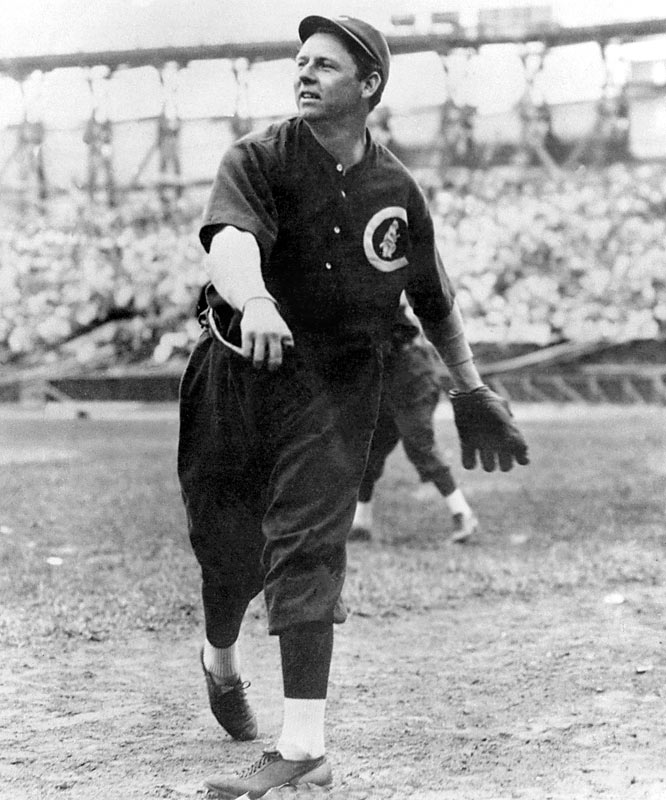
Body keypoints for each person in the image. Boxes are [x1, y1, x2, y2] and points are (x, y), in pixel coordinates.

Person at [177, 14, 529, 798]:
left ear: (369, 85)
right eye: (300, 61)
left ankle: (304, 748)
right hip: (237, 371)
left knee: (307, 545)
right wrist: (255, 298)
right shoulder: (258, 157)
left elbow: (433, 298)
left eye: (325, 65)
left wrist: (470, 385)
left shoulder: (396, 189)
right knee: (227, 553)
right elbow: (230, 240)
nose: (304, 72)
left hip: (334, 388)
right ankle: (219, 657)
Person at [350, 295, 478, 544]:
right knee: (368, 450)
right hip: (383, 379)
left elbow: (394, 304)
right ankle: (361, 522)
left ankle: (464, 514)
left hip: (412, 375)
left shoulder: (375, 286)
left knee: (418, 443)